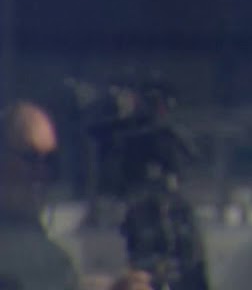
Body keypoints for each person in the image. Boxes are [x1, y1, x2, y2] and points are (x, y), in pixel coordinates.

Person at [0, 101, 151, 290]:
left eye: (50, 161)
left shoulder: (36, 243)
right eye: (31, 158)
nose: (42, 173)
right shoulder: (20, 253)